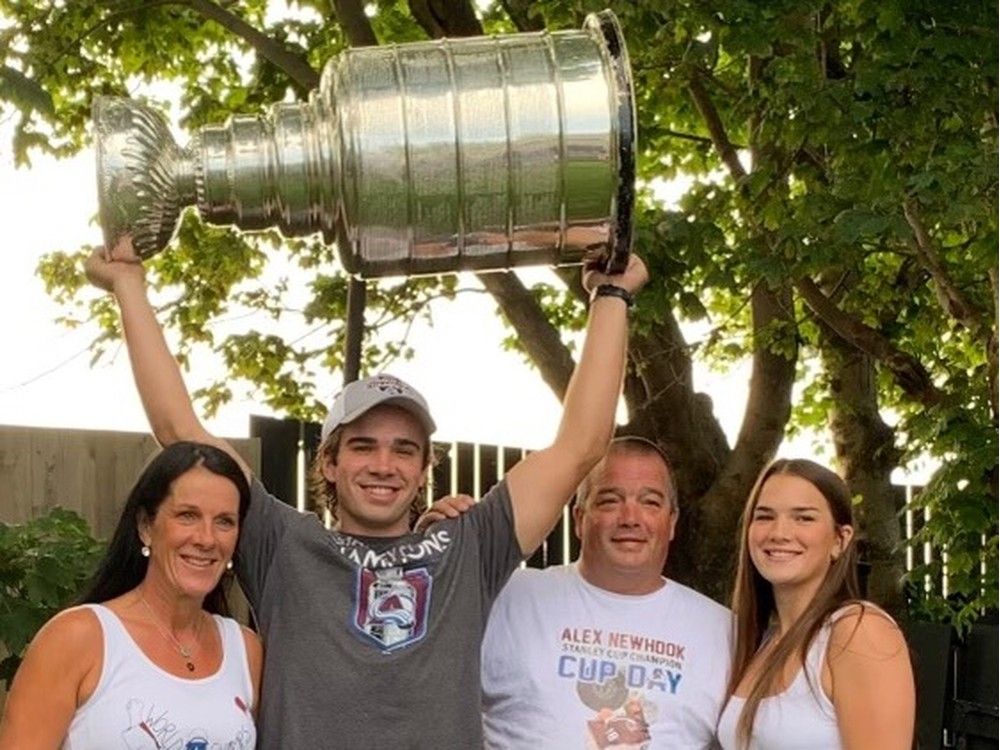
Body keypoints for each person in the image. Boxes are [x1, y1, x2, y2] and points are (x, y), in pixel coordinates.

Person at [84, 237, 648, 747]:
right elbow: (180, 430)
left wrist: (612, 296)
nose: (384, 464)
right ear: (328, 462)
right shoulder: (282, 542)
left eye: (404, 449)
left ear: (426, 467)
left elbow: (580, 445)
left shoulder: (469, 547)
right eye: (362, 446)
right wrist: (128, 286)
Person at [427, 437, 732, 748]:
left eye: (650, 502)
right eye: (610, 500)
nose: (630, 518)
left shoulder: (724, 633)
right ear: (579, 518)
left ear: (672, 522)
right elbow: (414, 689)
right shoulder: (506, 598)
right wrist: (429, 558)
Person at [0, 441, 262, 750]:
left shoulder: (245, 651)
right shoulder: (77, 638)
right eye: (187, 515)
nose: (206, 538)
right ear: (145, 526)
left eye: (224, 521)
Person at [716, 459, 915, 750]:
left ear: (840, 540)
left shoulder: (859, 631)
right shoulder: (761, 644)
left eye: (804, 518)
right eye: (764, 516)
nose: (779, 532)